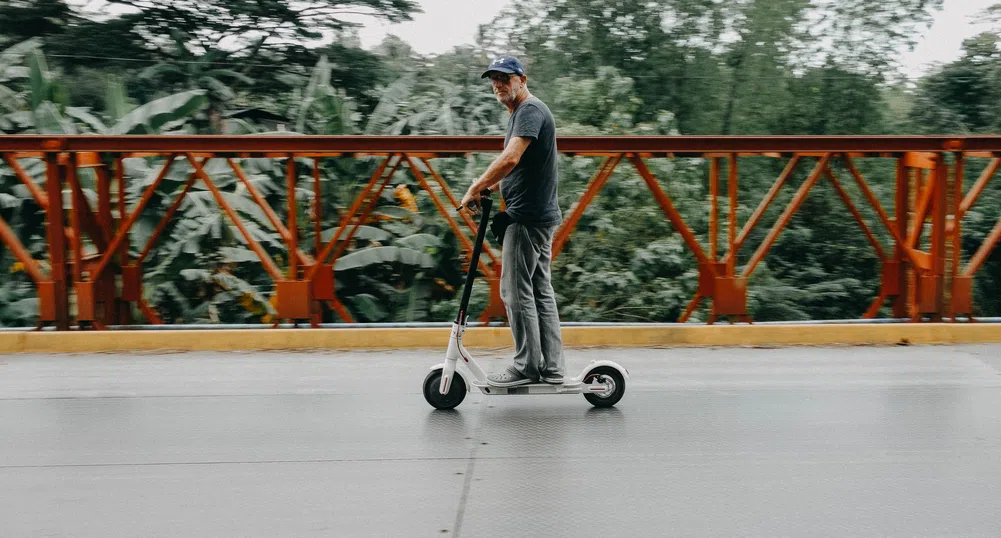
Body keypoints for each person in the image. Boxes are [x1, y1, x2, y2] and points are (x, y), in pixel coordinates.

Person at [459, 56, 566, 387]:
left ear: (522, 79)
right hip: (539, 215)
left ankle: (526, 367)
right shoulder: (523, 112)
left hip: (527, 217)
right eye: (493, 79)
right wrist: (488, 188)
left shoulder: (529, 110)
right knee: (539, 291)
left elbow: (510, 158)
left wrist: (474, 187)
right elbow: (519, 166)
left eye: (504, 78)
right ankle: (552, 368)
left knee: (514, 292)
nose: (498, 84)